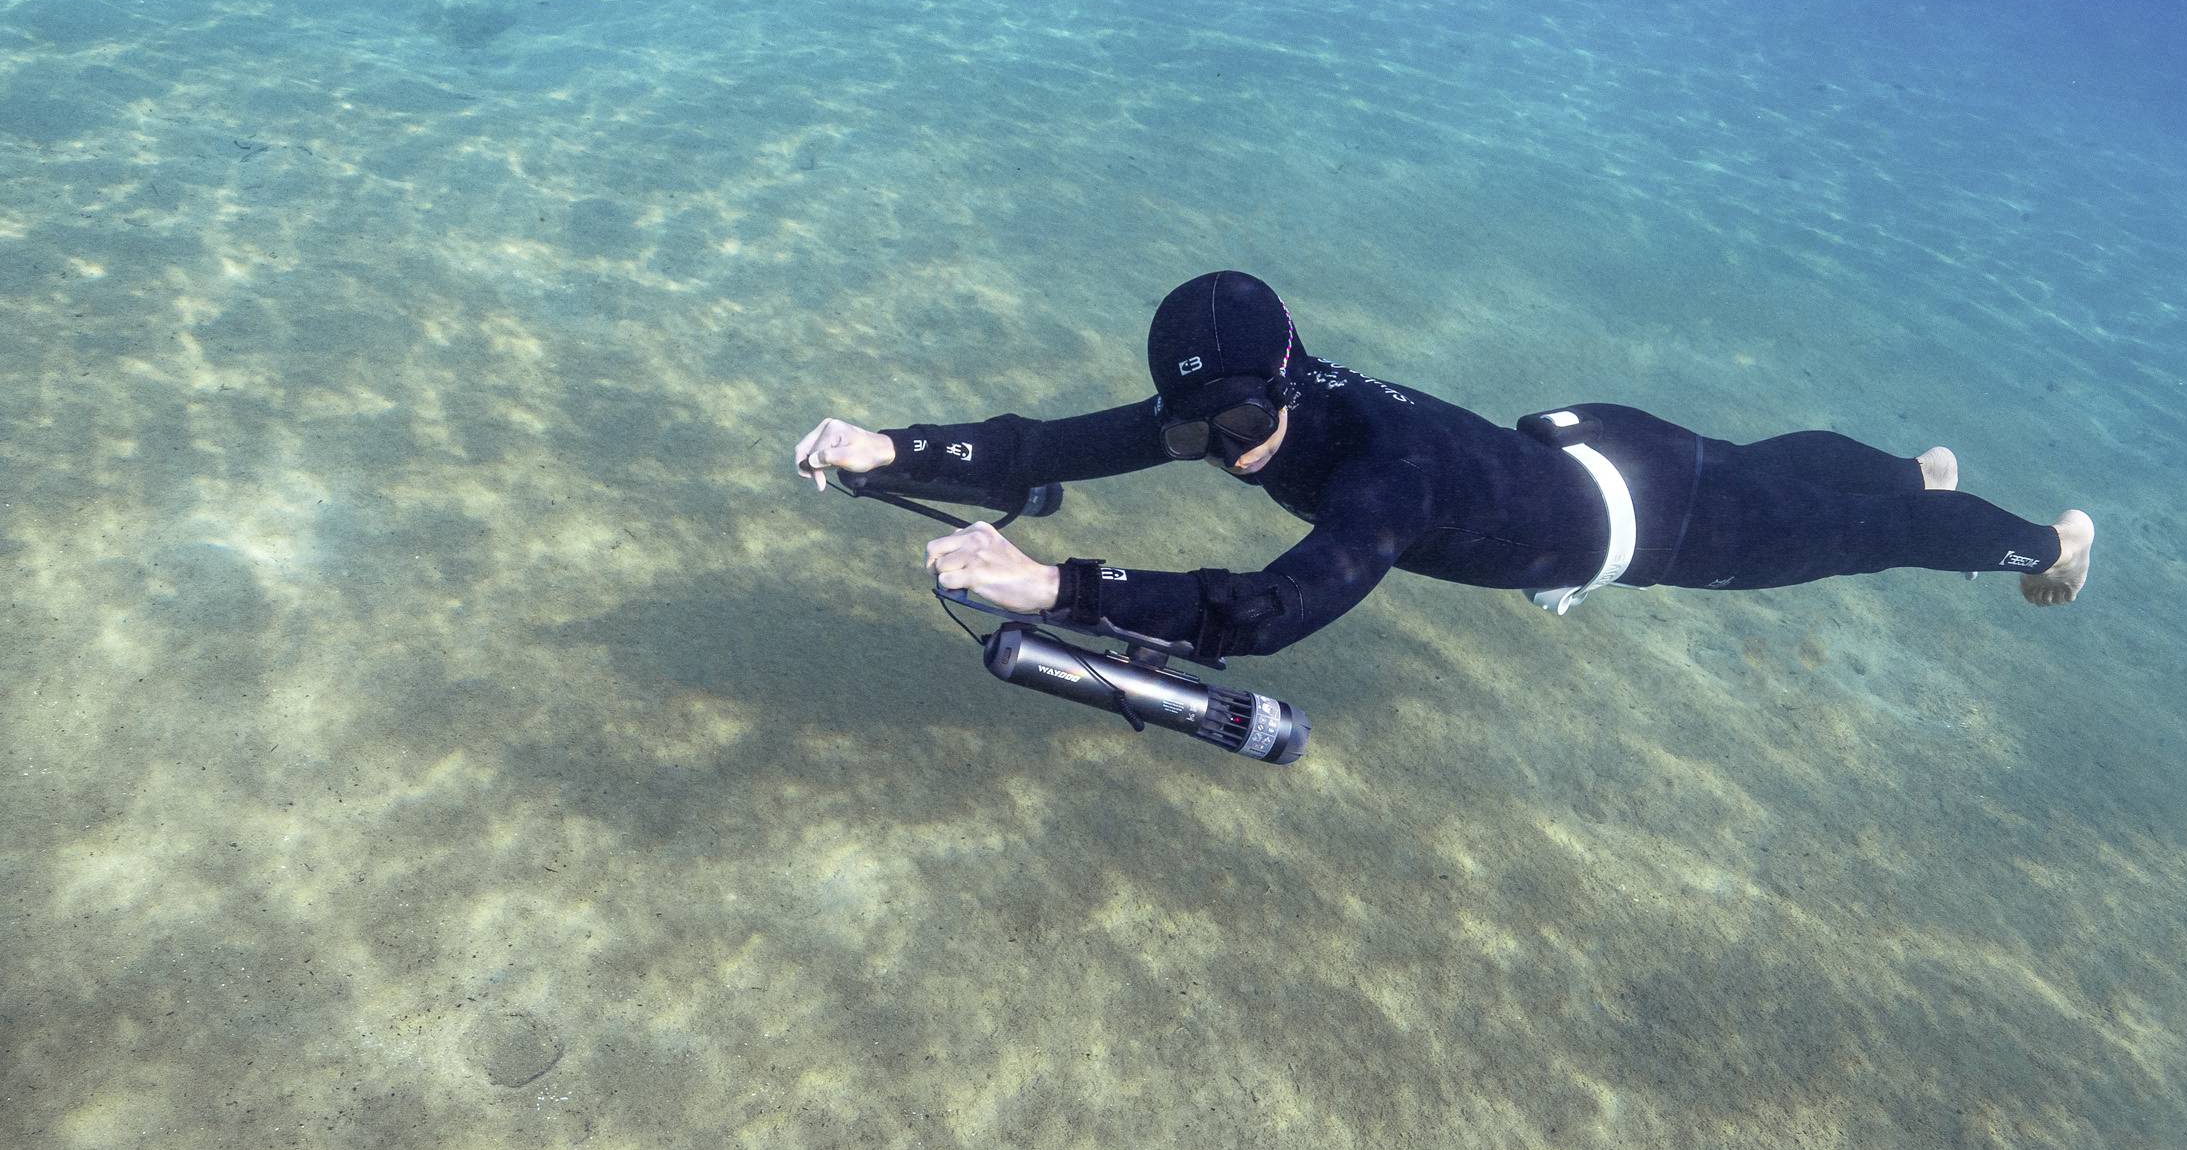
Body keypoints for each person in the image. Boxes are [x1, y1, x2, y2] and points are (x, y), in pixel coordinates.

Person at [793, 271, 2094, 660]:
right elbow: (1050, 445)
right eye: (1192, 430)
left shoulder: (1384, 476)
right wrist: (889, 446)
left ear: (1290, 382)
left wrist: (1053, 587)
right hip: (1584, 438)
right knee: (1780, 464)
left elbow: (1268, 611)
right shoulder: (1237, 406)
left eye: (1239, 426)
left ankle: (2040, 543)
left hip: (1656, 515)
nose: (1220, 454)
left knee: (1850, 529)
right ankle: (1911, 472)